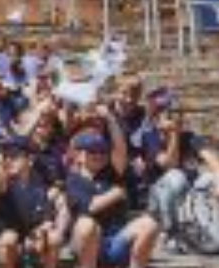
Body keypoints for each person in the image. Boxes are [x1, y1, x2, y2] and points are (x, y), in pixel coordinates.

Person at [141, 88, 219, 252]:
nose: (175, 117)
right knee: (177, 177)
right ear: (155, 118)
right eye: (168, 113)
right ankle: (171, 234)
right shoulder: (150, 138)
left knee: (211, 178)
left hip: (187, 196)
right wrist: (174, 135)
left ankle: (205, 230)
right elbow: (170, 164)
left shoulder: (190, 137)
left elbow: (213, 161)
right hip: (159, 199)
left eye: (177, 113)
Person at [65, 106, 159, 268]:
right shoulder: (74, 180)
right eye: (92, 151)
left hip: (116, 241)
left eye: (102, 151)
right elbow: (90, 207)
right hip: (90, 246)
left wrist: (110, 118)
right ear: (79, 155)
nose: (99, 155)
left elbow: (120, 148)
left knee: (150, 224)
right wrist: (116, 193)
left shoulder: (111, 172)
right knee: (87, 224)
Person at [0, 135, 68, 268]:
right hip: (9, 233)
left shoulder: (41, 183)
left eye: (14, 156)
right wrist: (1, 170)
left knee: (54, 238)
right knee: (9, 240)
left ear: (30, 159)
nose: (8, 160)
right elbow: (0, 185)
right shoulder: (4, 181)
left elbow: (46, 215)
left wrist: (42, 229)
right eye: (5, 156)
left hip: (35, 232)